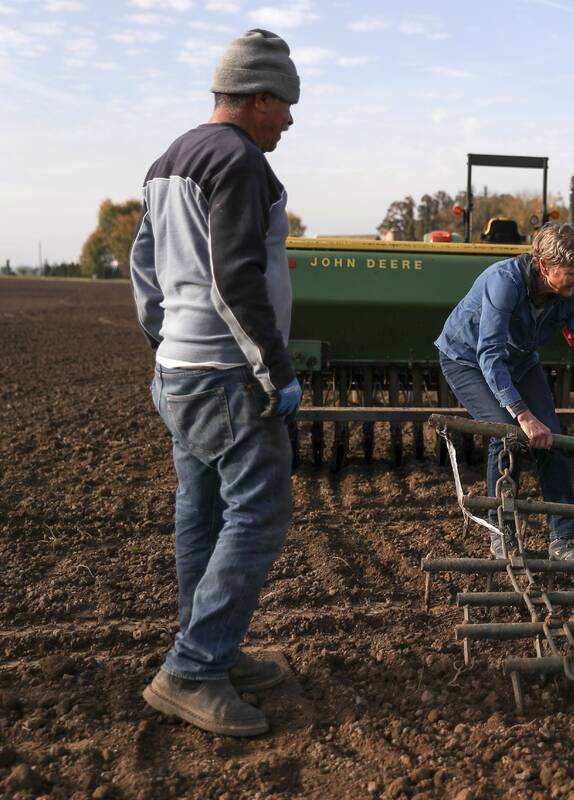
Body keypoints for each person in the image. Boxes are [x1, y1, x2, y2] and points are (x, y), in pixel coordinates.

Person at [130, 29, 302, 737]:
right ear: (258, 97)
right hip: (226, 375)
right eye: (285, 104)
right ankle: (194, 668)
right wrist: (274, 370)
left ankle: (206, 649)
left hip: (180, 369)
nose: (289, 119)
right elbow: (237, 280)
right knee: (259, 515)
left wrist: (167, 345)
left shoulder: (170, 158)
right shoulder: (239, 163)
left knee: (200, 513)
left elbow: (143, 271)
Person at [436, 223, 574, 560]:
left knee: (552, 439)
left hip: (519, 361)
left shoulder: (572, 295)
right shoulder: (505, 282)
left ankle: (562, 540)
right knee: (506, 435)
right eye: (572, 272)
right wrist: (522, 414)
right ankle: (501, 532)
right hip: (467, 361)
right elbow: (488, 354)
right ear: (544, 265)